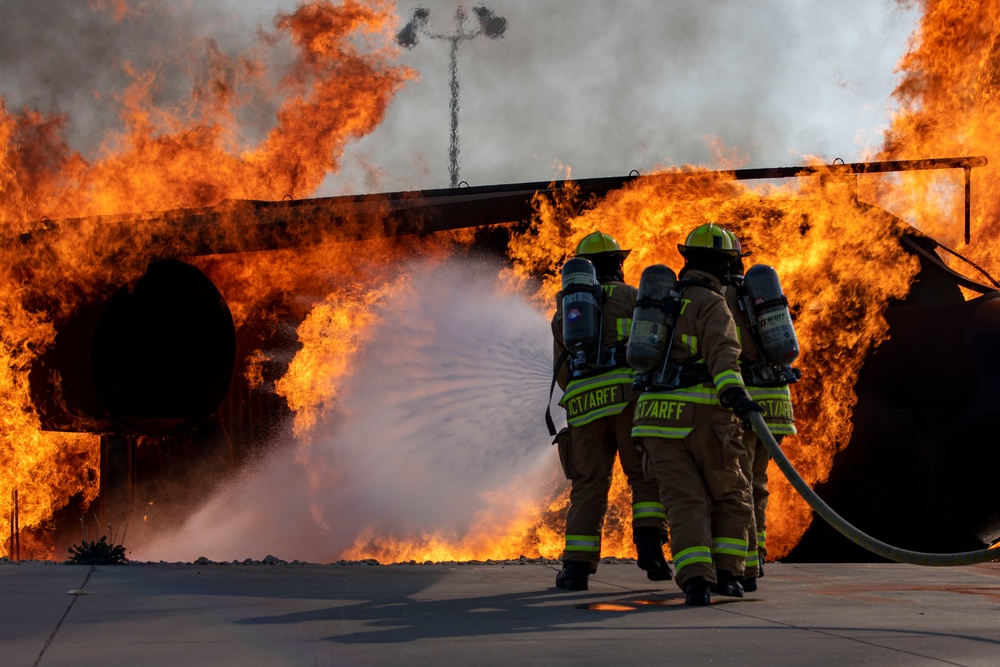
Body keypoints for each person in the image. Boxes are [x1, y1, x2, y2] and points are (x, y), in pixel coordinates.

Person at [631, 222, 760, 606]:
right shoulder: (711, 302)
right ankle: (728, 574)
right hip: (703, 417)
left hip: (653, 418)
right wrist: (736, 394)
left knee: (684, 501)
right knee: (732, 494)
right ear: (722, 265)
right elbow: (724, 354)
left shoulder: (661, 300)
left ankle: (696, 583)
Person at [551, 231, 671, 591]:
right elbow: (655, 352)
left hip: (584, 408)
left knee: (589, 485)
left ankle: (576, 569)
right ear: (617, 264)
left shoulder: (564, 314)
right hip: (630, 400)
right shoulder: (634, 298)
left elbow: (562, 374)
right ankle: (651, 552)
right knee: (644, 476)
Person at [721, 227, 798, 593]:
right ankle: (755, 562)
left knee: (734, 487)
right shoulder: (762, 295)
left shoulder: (715, 298)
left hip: (742, 405)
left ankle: (741, 565)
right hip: (776, 404)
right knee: (756, 485)